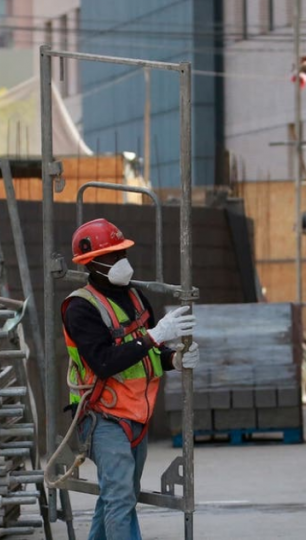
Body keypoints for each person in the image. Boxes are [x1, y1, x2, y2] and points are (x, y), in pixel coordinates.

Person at [61, 218, 199, 540]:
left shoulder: (136, 298)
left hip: (136, 414)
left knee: (119, 493)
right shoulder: (79, 307)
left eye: (122, 252)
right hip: (100, 416)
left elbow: (150, 353)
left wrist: (173, 359)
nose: (121, 261)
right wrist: (153, 338)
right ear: (91, 263)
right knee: (121, 495)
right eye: (112, 255)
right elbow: (104, 362)